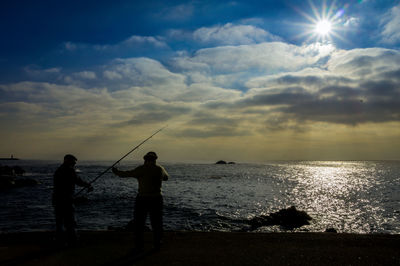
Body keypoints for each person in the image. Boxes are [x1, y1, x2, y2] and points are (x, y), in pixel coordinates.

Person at [112, 151, 169, 250]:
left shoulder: (141, 169)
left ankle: (139, 245)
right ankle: (157, 243)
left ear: (145, 159)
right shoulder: (160, 169)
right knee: (157, 222)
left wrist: (116, 171)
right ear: (155, 159)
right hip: (157, 198)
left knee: (139, 222)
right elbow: (166, 178)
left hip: (142, 198)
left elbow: (126, 174)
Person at [52, 154, 93, 246]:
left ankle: (59, 241)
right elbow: (78, 181)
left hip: (57, 200)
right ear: (68, 161)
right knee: (70, 222)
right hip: (67, 201)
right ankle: (72, 240)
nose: (74, 164)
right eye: (73, 162)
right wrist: (88, 185)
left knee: (59, 222)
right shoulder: (70, 171)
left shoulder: (58, 171)